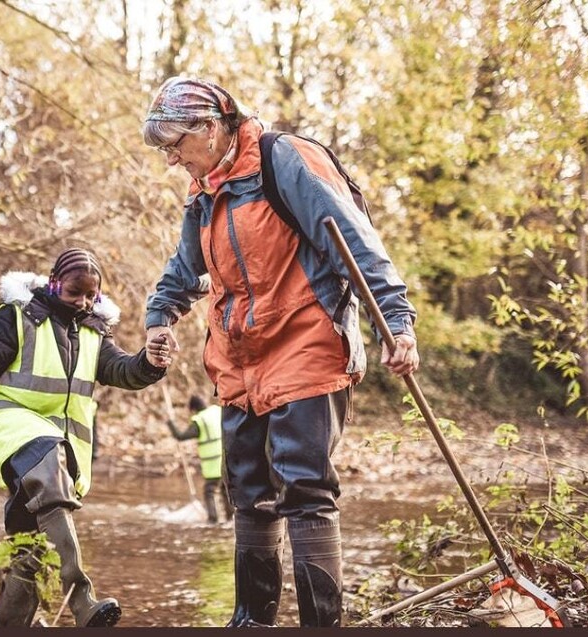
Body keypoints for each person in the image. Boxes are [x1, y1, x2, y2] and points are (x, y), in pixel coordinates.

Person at [141, 77, 419, 628]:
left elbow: (357, 244)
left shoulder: (285, 160)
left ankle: (322, 624)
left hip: (305, 343)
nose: (171, 160)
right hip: (239, 360)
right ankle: (253, 619)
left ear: (211, 127)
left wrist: (397, 321)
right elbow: (183, 269)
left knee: (304, 482)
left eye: (175, 145)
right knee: (247, 486)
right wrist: (159, 316)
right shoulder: (204, 191)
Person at [0, 247, 168, 628]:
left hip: (62, 446)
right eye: (74, 291)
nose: (83, 301)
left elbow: (124, 371)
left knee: (30, 552)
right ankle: (82, 600)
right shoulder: (18, 319)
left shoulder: (93, 332)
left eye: (91, 295)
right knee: (50, 471)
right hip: (15, 426)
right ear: (54, 282)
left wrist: (150, 362)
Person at [165, 395, 232, 524]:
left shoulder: (200, 421)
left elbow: (181, 436)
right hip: (226, 460)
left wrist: (170, 422)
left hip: (213, 464)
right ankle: (231, 518)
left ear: (193, 409)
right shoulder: (217, 411)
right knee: (225, 490)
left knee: (209, 491)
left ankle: (213, 520)